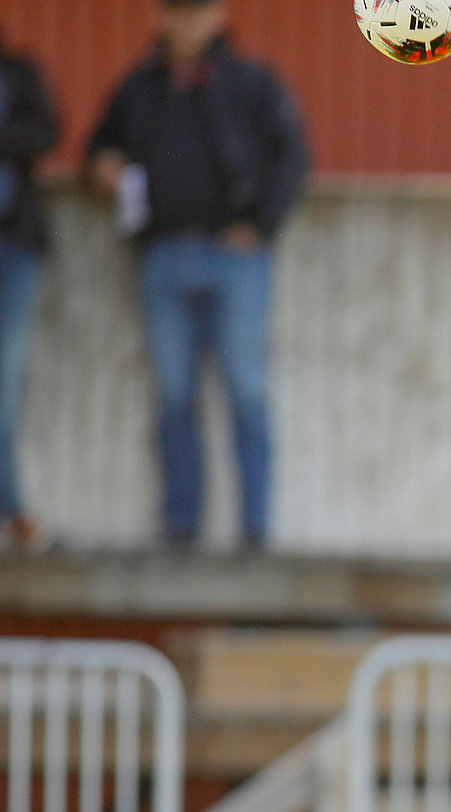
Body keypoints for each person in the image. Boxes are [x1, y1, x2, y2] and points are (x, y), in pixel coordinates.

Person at [86, 0, 309, 552]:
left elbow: (293, 156)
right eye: (177, 12)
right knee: (173, 397)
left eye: (197, 12)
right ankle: (180, 530)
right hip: (163, 255)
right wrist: (104, 167)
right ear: (162, 17)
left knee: (246, 393)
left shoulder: (251, 82)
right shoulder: (139, 86)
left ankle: (255, 532)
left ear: (218, 16)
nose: (186, 23)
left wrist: (260, 224)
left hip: (234, 258)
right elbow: (96, 148)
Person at [0, 28, 59, 549]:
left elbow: (47, 132)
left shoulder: (19, 70)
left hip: (13, 246)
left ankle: (13, 507)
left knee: (5, 380)